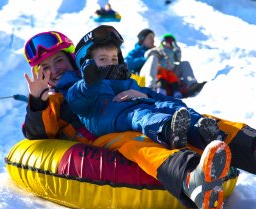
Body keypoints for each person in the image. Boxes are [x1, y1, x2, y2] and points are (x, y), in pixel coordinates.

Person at [21, 29, 256, 209]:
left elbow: (146, 92)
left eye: (58, 61)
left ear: (72, 60)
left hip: (136, 114)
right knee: (136, 144)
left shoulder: (103, 74)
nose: (53, 70)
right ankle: (192, 178)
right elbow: (38, 133)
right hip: (101, 136)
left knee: (203, 122)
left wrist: (142, 93)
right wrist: (37, 100)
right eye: (45, 67)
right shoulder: (51, 98)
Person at [67, 25, 217, 150]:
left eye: (114, 59)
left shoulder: (126, 82)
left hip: (148, 89)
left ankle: (201, 130)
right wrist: (90, 81)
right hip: (121, 115)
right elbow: (79, 95)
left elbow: (157, 99)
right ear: (87, 64)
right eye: (103, 59)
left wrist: (148, 97)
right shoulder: (84, 88)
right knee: (140, 114)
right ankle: (168, 130)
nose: (111, 63)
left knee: (166, 105)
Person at [125, 29, 206, 98]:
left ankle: (191, 86)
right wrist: (146, 59)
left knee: (184, 63)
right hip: (144, 79)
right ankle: (150, 88)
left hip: (165, 76)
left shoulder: (160, 49)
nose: (153, 40)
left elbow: (174, 60)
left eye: (153, 38)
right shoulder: (136, 52)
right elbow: (128, 64)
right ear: (142, 39)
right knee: (153, 58)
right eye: (150, 38)